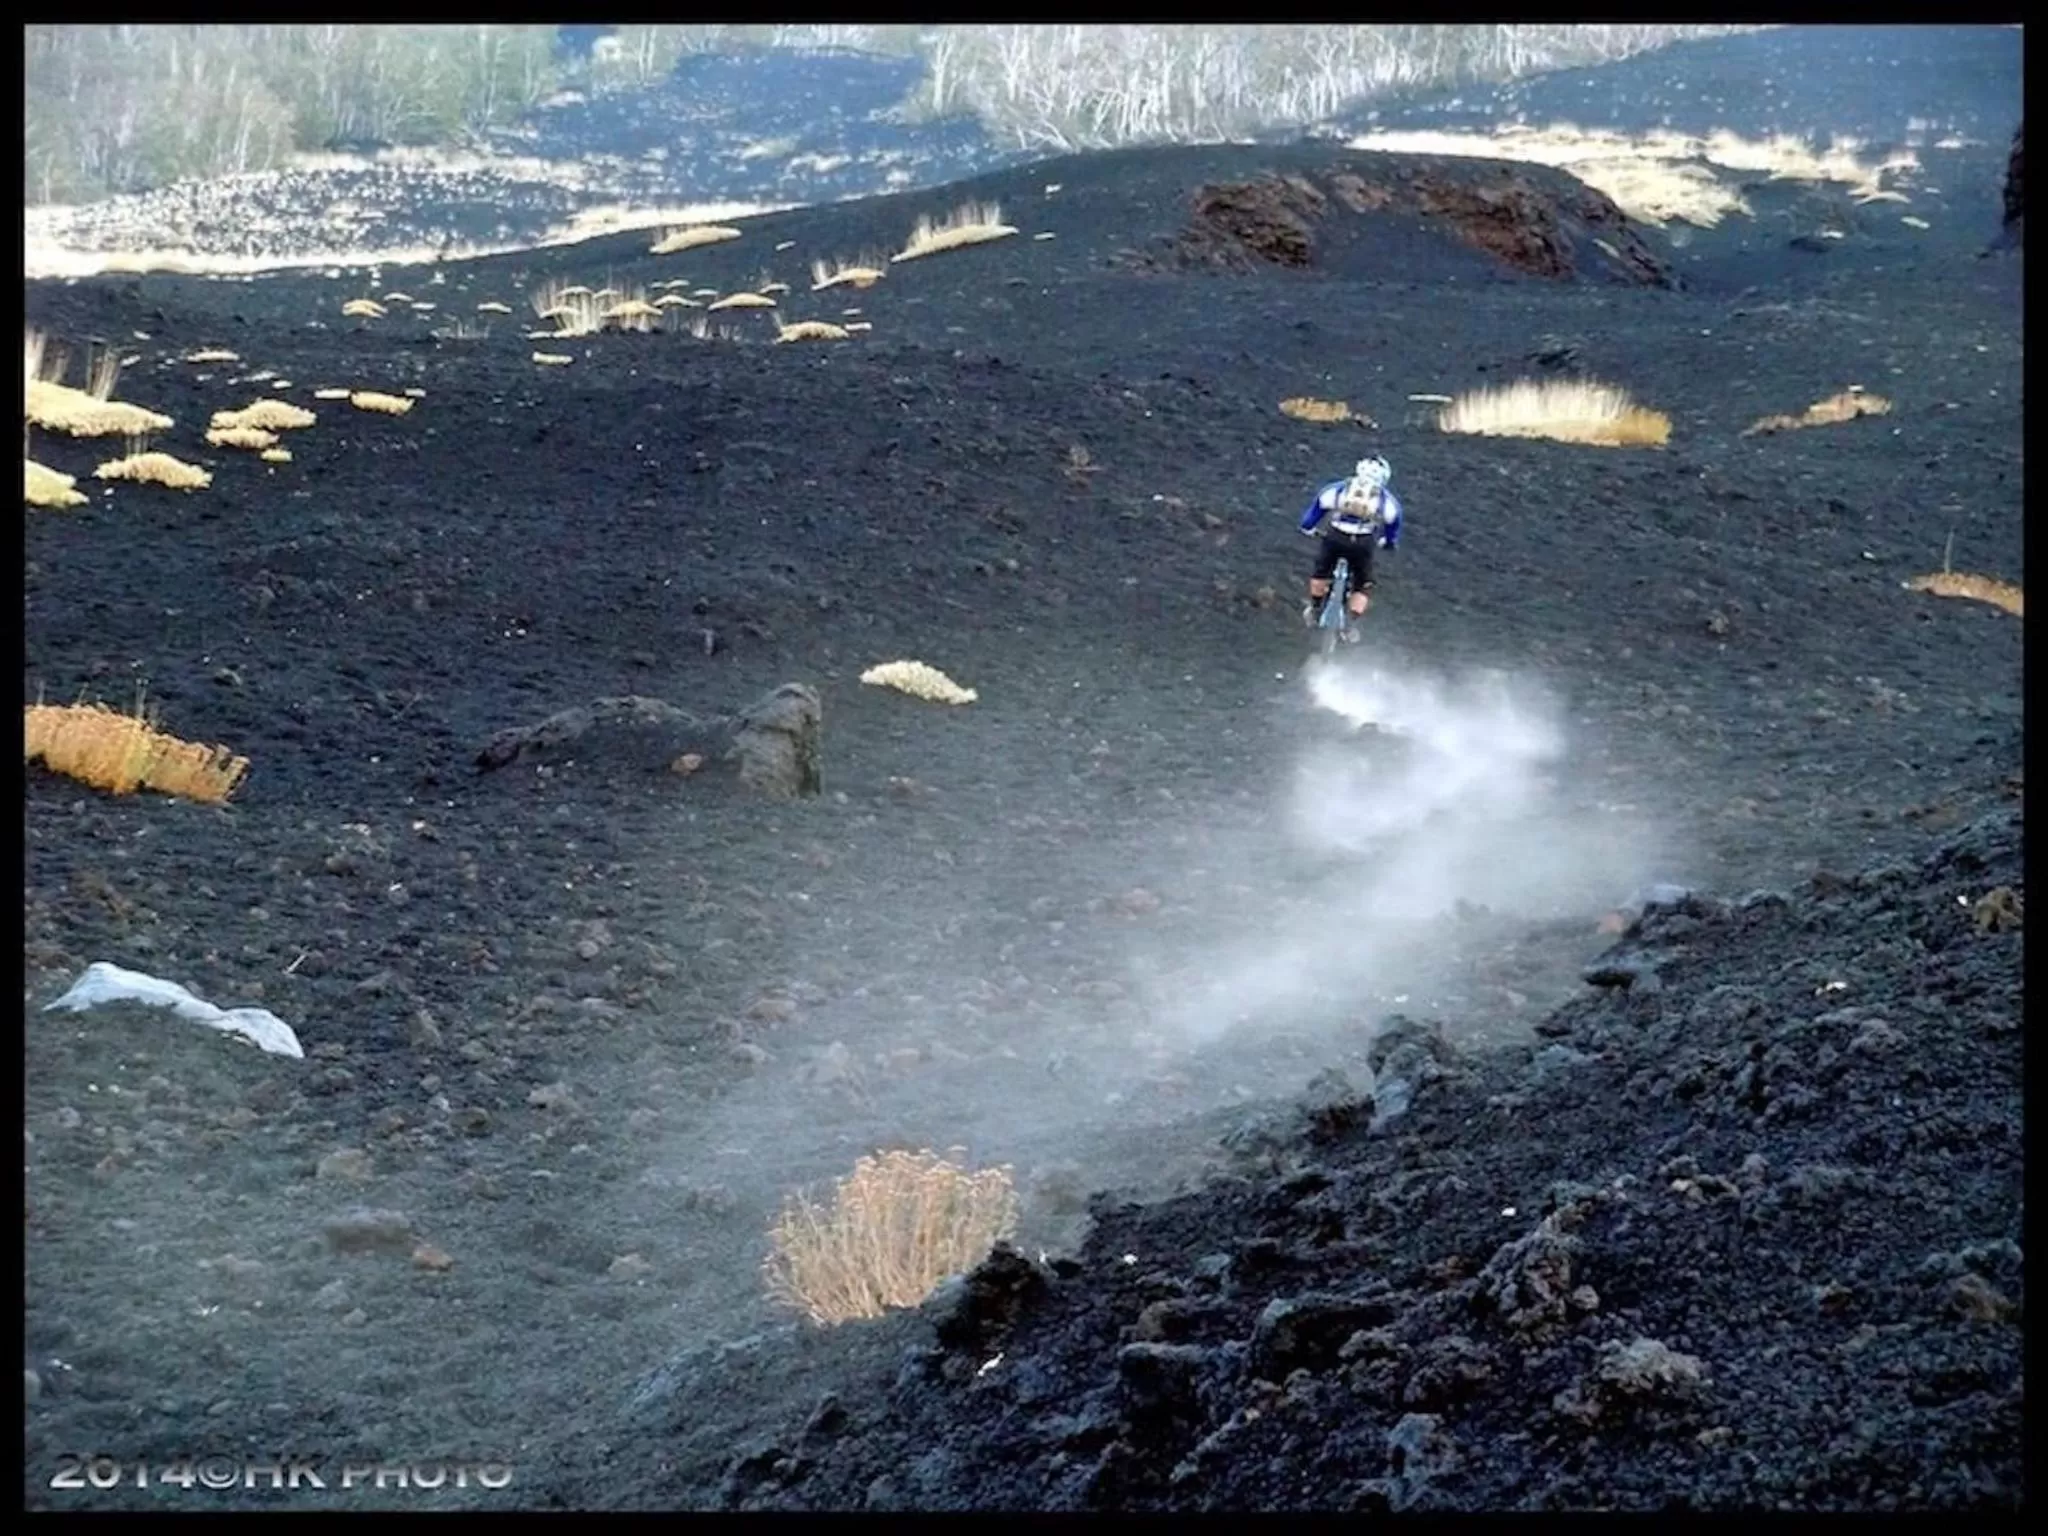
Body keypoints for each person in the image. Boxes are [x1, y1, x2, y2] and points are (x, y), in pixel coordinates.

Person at [1299, 455, 1402, 641]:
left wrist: (1308, 528)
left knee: (1321, 572)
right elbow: (1392, 527)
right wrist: (1388, 543)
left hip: (1335, 537)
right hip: (1363, 542)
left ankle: (1314, 608)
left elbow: (1312, 515)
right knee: (1363, 583)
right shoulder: (1386, 501)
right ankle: (1350, 626)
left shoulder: (1337, 490)